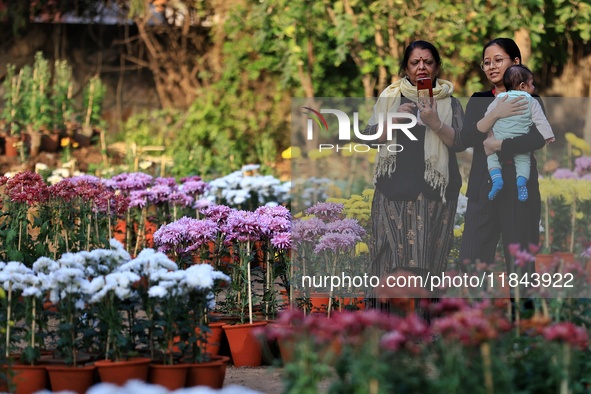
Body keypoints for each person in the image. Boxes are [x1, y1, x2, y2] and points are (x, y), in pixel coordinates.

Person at [362, 40, 464, 306]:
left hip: (436, 197)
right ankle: (385, 333)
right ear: (406, 68)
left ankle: (424, 332)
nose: (422, 67)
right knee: (390, 262)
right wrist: (393, 119)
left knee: (430, 264)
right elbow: (369, 138)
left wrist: (435, 122)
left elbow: (460, 142)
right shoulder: (391, 99)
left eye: (428, 62)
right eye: (415, 62)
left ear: (437, 67)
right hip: (394, 193)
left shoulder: (449, 103)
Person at [459, 38, 546, 277]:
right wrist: (496, 113)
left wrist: (501, 144)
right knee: (471, 264)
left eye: (498, 60)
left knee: (522, 269)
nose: (491, 67)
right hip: (483, 187)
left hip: (520, 189)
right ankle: (475, 315)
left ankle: (524, 315)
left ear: (516, 61)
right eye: (486, 62)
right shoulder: (479, 99)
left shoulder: (530, 99)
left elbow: (538, 137)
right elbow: (467, 138)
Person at [478, 64, 555, 202]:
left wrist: (490, 130)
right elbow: (540, 121)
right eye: (532, 84)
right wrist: (548, 135)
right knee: (524, 160)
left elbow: (488, 115)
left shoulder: (501, 98)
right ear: (523, 86)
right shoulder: (532, 101)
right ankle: (521, 182)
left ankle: (497, 180)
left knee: (492, 157)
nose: (534, 88)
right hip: (519, 139)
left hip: (498, 136)